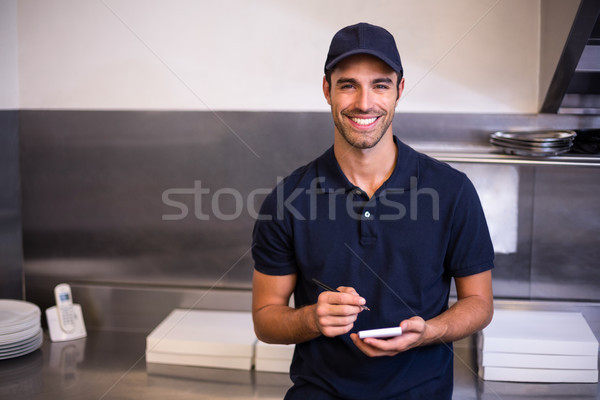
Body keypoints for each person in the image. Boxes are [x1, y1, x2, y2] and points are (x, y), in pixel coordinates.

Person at [251, 22, 494, 399]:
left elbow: (479, 303)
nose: (364, 103)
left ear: (399, 90)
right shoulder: (287, 199)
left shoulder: (452, 190)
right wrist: (311, 318)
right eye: (348, 84)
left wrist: (429, 332)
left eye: (380, 84)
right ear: (326, 91)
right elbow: (266, 319)